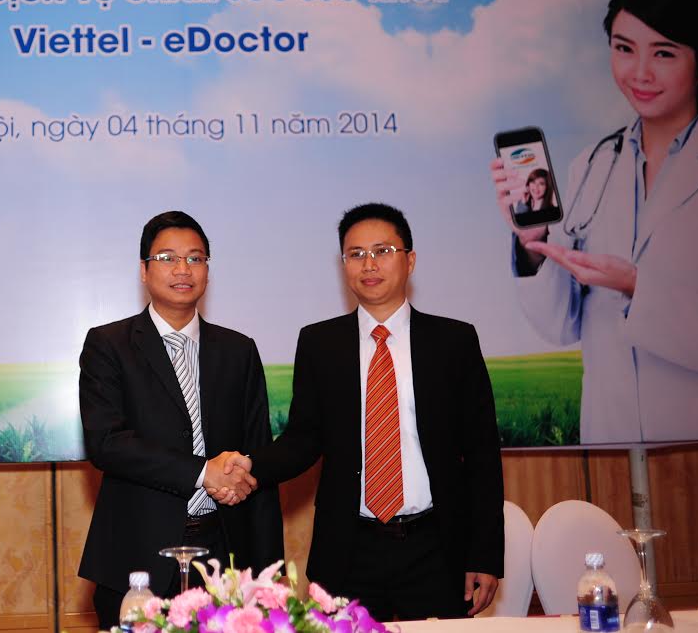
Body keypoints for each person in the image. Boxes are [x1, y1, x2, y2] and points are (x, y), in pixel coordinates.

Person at [212, 203, 504, 622]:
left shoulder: (453, 341)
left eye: (382, 251)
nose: (369, 264)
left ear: (410, 260)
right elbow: (303, 440)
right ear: (343, 264)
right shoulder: (320, 343)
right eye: (356, 254)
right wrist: (250, 465)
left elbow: (482, 454)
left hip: (437, 549)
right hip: (349, 551)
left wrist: (485, 554)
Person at [490, 0, 698, 443]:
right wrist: (533, 243)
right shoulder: (592, 165)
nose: (639, 73)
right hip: (610, 440)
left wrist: (636, 287)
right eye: (624, 49)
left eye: (664, 53)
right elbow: (561, 326)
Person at [78, 210, 284, 629]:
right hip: (138, 555)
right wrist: (203, 472)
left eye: (195, 258)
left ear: (207, 269)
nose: (182, 269)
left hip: (224, 555)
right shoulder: (108, 345)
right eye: (167, 258)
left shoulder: (238, 350)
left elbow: (259, 459)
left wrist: (268, 572)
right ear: (144, 270)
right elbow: (107, 443)